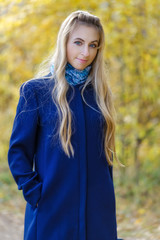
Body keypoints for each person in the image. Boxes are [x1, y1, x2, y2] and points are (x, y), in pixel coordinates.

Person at [8, 10, 123, 240]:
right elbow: (18, 152)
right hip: (51, 210)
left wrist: (105, 200)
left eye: (93, 45)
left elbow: (104, 156)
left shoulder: (99, 95)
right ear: (65, 42)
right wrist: (36, 194)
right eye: (78, 42)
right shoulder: (35, 91)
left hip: (97, 215)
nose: (85, 52)